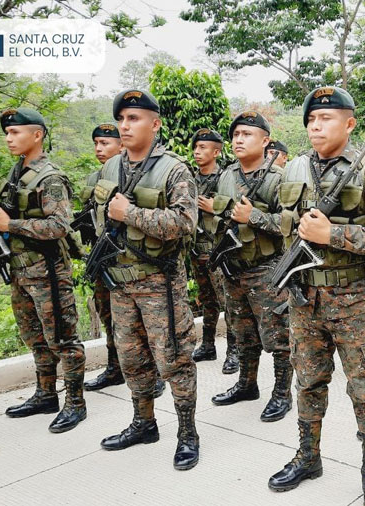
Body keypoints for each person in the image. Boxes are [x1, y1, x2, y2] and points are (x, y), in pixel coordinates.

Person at [267, 86, 365, 506]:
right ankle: (308, 457)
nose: (315, 126)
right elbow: (281, 224)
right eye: (311, 119)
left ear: (349, 124)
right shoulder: (293, 169)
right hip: (304, 299)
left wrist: (333, 234)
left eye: (325, 118)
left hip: (353, 299)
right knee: (307, 382)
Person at [94, 89, 200, 470]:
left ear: (155, 124)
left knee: (174, 359)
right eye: (121, 119)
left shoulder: (174, 170)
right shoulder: (110, 168)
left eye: (134, 118)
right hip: (120, 283)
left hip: (159, 284)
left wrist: (131, 214)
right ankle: (144, 423)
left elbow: (185, 223)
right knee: (132, 359)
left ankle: (187, 433)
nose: (125, 126)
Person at [0, 107, 87, 433]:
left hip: (48, 273)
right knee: (35, 338)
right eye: (7, 133)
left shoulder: (50, 178)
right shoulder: (16, 173)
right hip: (22, 271)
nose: (9, 138)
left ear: (37, 135)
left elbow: (60, 226)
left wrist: (12, 225)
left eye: (15, 132)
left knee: (63, 339)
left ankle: (75, 403)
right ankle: (46, 394)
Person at [207, 112, 293, 423]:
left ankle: (282, 393)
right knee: (242, 332)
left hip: (266, 268)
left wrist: (253, 217)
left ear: (265, 140)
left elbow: (291, 224)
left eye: (247, 134)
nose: (239, 140)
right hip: (233, 268)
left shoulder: (278, 178)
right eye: (236, 135)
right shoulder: (227, 175)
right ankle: (247, 384)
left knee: (278, 335)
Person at [81, 124, 166, 398]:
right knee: (111, 319)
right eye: (96, 143)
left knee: (145, 325)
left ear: (121, 146)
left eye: (105, 143)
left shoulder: (138, 176)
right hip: (103, 258)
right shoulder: (95, 178)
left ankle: (155, 374)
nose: (99, 149)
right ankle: (115, 366)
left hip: (134, 261)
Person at [190, 128, 240, 374]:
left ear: (217, 152)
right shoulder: (190, 179)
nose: (197, 152)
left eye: (203, 147)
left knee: (227, 302)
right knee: (207, 300)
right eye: (195, 147)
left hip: (219, 252)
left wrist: (215, 208)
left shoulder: (226, 179)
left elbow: (240, 213)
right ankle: (208, 345)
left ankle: (234, 351)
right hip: (196, 251)